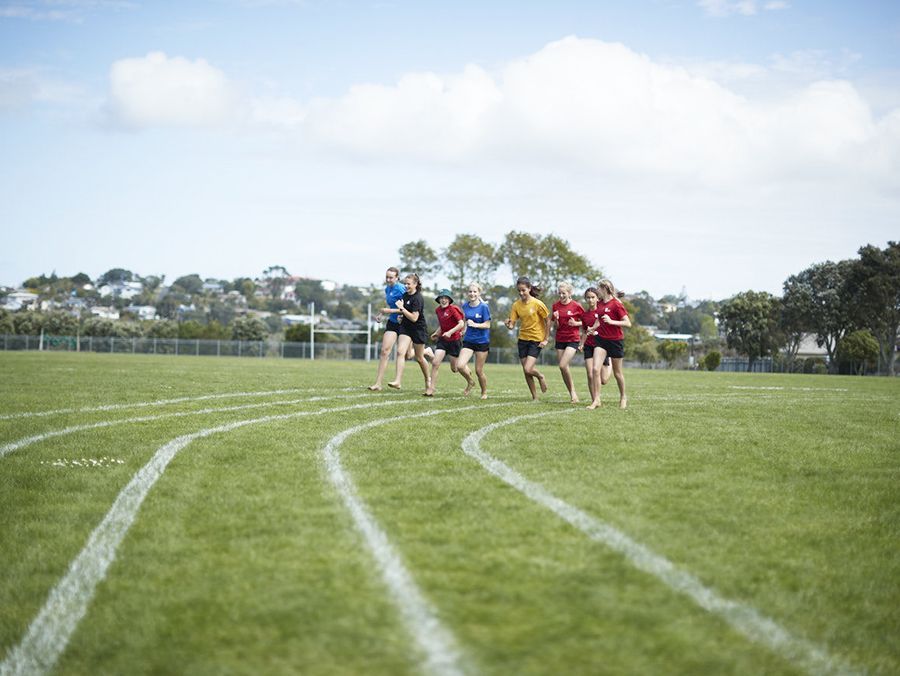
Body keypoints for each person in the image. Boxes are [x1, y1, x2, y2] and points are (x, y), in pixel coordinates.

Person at [582, 279, 631, 409]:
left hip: (615, 341)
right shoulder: (600, 304)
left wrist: (612, 321)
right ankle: (596, 400)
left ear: (605, 289)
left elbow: (627, 323)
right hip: (601, 340)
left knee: (617, 373)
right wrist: (593, 328)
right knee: (595, 369)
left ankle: (623, 397)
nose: (597, 290)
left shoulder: (616, 304)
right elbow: (599, 320)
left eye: (599, 288)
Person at [505, 276, 550, 400]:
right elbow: (511, 325)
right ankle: (534, 397)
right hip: (522, 339)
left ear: (529, 289)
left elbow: (548, 321)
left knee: (528, 368)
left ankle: (540, 376)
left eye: (523, 290)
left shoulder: (537, 304)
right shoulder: (516, 305)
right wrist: (508, 324)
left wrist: (546, 339)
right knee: (526, 371)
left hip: (536, 339)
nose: (521, 293)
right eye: (519, 290)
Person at [387, 273, 431, 392]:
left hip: (418, 329)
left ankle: (428, 380)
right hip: (406, 328)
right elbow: (405, 314)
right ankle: (397, 381)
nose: (406, 286)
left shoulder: (418, 298)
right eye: (405, 283)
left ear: (415, 284)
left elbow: (414, 318)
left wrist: (402, 309)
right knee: (400, 352)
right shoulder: (405, 295)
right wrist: (401, 316)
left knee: (419, 358)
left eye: (408, 284)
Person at [424, 289, 472, 396]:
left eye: (445, 298)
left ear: (449, 300)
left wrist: (450, 332)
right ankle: (431, 389)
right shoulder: (438, 310)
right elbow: (443, 325)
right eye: (441, 298)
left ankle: (469, 379)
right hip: (443, 340)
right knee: (436, 363)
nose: (443, 300)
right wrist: (436, 333)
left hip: (454, 341)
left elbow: (460, 324)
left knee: (455, 369)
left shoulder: (453, 309)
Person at [368, 267, 406, 391]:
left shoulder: (401, 289)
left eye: (391, 277)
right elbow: (389, 304)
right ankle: (378, 383)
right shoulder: (387, 289)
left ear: (397, 278)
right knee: (384, 351)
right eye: (387, 277)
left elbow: (407, 308)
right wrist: (381, 314)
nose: (388, 279)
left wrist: (389, 311)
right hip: (393, 323)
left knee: (410, 354)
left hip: (405, 323)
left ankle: (426, 351)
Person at [551, 282, 585, 403]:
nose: (561, 295)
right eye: (559, 293)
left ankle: (573, 393)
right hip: (560, 339)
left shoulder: (577, 306)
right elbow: (556, 326)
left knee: (562, 365)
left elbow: (587, 322)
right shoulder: (555, 306)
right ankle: (572, 394)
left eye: (563, 293)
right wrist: (556, 319)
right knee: (563, 368)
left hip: (573, 339)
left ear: (570, 293)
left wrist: (576, 323)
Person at [457, 282, 491, 399]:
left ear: (479, 293)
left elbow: (487, 325)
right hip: (469, 341)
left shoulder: (484, 307)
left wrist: (476, 325)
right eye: (470, 291)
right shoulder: (465, 306)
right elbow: (466, 321)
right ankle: (470, 382)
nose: (472, 294)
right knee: (460, 366)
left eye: (475, 291)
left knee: (478, 371)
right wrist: (463, 330)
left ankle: (484, 392)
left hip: (482, 342)